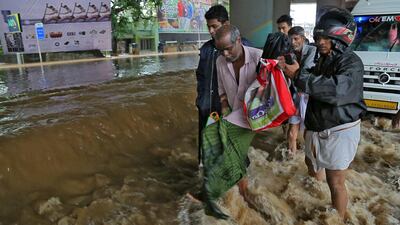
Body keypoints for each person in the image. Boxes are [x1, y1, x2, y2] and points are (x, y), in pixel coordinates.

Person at [284, 7, 366, 219]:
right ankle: (319, 194)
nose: (320, 42)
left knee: (335, 181)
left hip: (340, 129)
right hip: (317, 125)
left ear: (340, 39)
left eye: (325, 38)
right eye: (319, 37)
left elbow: (337, 91)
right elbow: (312, 80)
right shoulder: (323, 58)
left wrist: (300, 77)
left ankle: (337, 218)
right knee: (310, 163)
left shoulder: (352, 63)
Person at [195, 5, 229, 167]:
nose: (210, 31)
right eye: (208, 26)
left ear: (226, 24)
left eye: (214, 26)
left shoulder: (240, 47)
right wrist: (201, 100)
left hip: (229, 112)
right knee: (206, 151)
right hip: (207, 110)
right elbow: (201, 76)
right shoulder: (206, 49)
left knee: (230, 151)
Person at [277, 26, 317, 155]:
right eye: (291, 39)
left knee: (308, 132)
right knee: (292, 130)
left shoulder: (313, 50)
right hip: (295, 95)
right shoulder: (290, 53)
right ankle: (291, 157)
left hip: (309, 97)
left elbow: (303, 72)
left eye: (296, 39)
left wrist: (286, 65)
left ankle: (309, 159)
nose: (293, 42)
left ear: (303, 38)